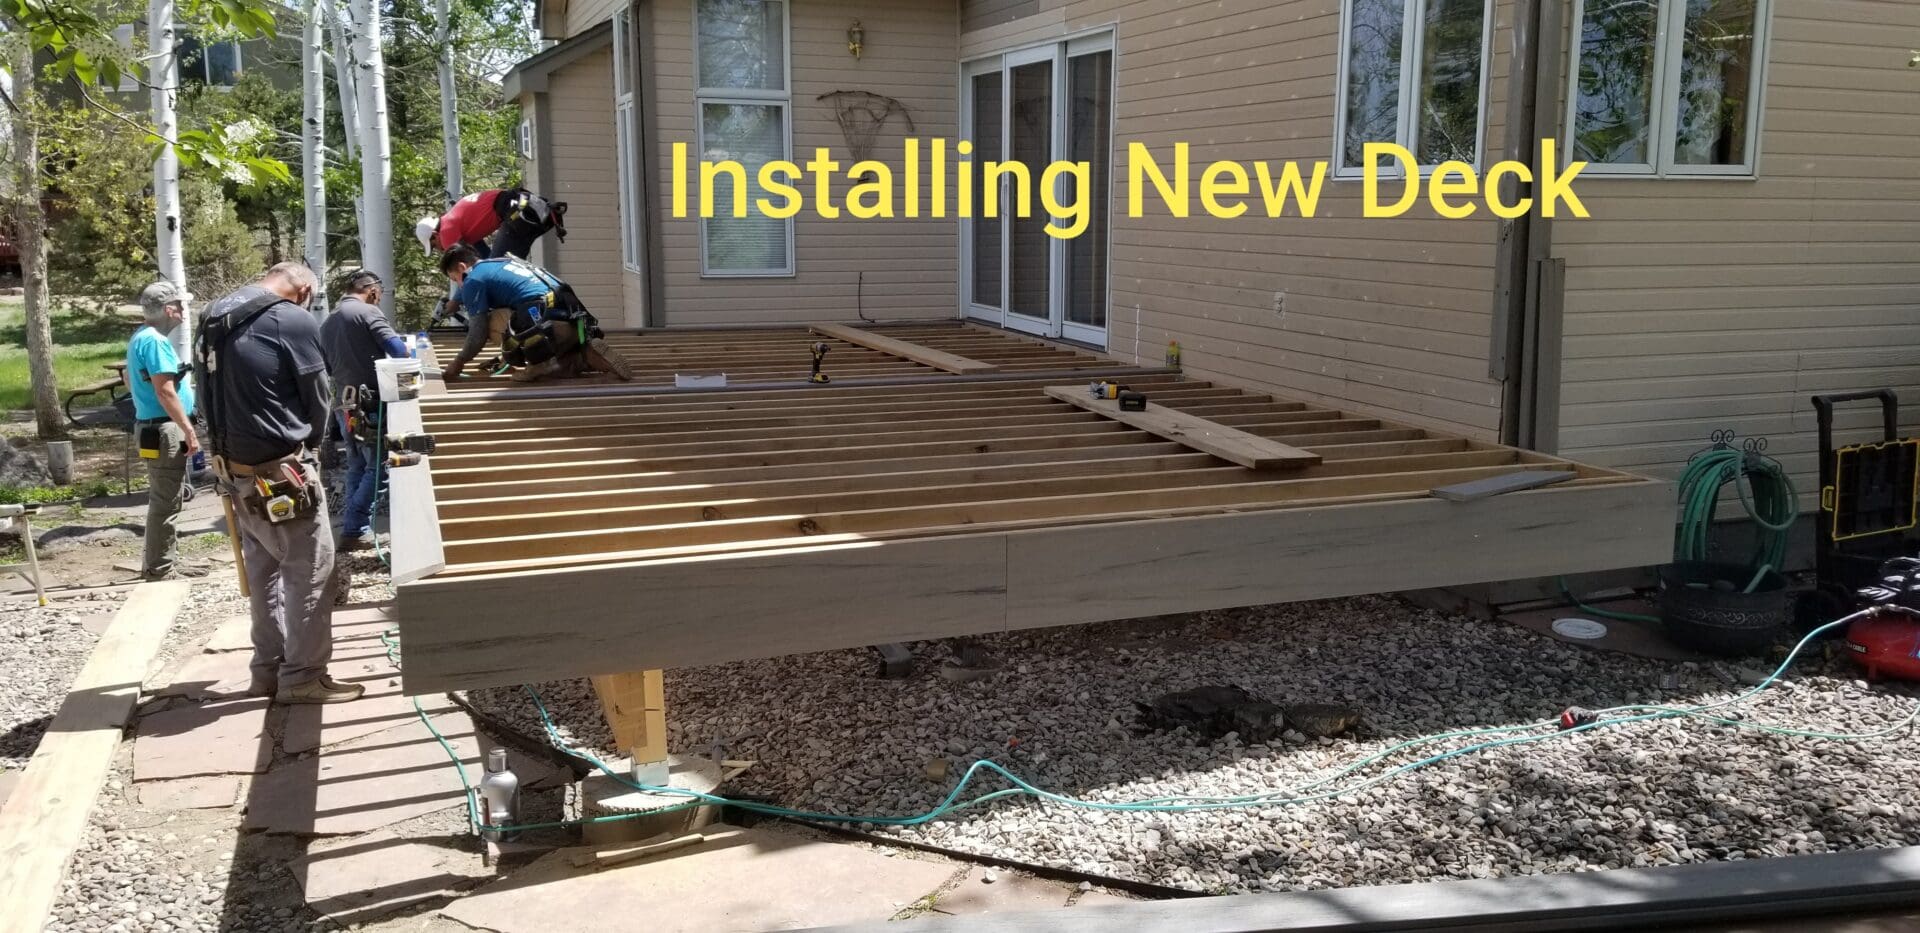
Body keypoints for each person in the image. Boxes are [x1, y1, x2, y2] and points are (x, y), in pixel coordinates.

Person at [196, 261, 365, 705]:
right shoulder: (291, 318)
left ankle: (267, 671)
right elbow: (318, 398)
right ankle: (304, 676)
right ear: (305, 289)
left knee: (264, 570)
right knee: (310, 571)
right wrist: (312, 452)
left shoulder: (215, 313)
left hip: (234, 471)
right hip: (280, 473)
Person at [437, 245, 634, 384]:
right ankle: (583, 356)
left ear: (463, 268)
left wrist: (459, 361)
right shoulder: (501, 263)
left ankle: (540, 362)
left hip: (545, 324)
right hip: (573, 321)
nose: (460, 286)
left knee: (488, 321)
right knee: (517, 315)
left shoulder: (473, 280)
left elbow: (477, 332)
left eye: (456, 279)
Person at [319, 269, 411, 552]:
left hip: (343, 405)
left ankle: (354, 529)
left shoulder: (328, 322)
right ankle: (355, 526)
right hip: (370, 406)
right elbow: (398, 351)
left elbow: (328, 367)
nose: (378, 300)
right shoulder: (368, 313)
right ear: (371, 290)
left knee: (357, 464)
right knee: (380, 464)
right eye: (379, 295)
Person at [128, 281, 205, 580]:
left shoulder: (140, 337)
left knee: (166, 499)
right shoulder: (156, 342)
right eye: (181, 306)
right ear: (168, 309)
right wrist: (189, 429)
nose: (185, 312)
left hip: (153, 428)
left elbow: (128, 378)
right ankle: (160, 569)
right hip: (164, 429)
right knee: (166, 502)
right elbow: (166, 392)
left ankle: (164, 561)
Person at [414, 187, 568, 260]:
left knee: (498, 268)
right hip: (522, 204)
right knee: (505, 265)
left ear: (435, 234)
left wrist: (457, 300)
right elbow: (483, 257)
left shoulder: (446, 233)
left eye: (434, 245)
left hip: (515, 212)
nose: (440, 250)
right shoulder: (453, 219)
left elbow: (464, 270)